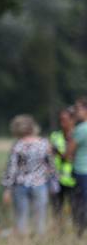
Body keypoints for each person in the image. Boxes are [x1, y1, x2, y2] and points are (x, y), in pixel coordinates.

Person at [1, 115, 58, 236]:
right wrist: (54, 182)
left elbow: (11, 169)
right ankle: (39, 242)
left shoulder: (18, 145)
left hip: (20, 185)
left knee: (21, 217)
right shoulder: (44, 143)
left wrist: (7, 189)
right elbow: (51, 165)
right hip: (40, 184)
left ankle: (22, 242)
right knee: (40, 217)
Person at [49, 108, 77, 217]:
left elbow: (71, 157)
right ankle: (58, 231)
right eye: (60, 120)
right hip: (56, 178)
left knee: (76, 209)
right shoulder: (55, 136)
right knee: (56, 210)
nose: (62, 123)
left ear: (72, 120)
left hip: (73, 179)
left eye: (64, 120)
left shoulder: (78, 136)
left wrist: (58, 152)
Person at [66, 99, 87, 232]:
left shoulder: (81, 129)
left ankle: (80, 231)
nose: (75, 112)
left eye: (78, 109)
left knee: (80, 204)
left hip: (82, 171)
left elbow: (68, 152)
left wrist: (72, 123)